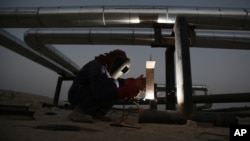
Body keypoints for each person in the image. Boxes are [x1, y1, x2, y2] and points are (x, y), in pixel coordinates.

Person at [68, 49, 145, 123]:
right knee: (111, 86)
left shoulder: (106, 69)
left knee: (114, 84)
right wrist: (123, 91)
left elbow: (116, 82)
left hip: (88, 92)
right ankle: (79, 111)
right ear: (115, 61)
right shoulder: (97, 66)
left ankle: (96, 113)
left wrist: (133, 83)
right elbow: (99, 90)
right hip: (77, 95)